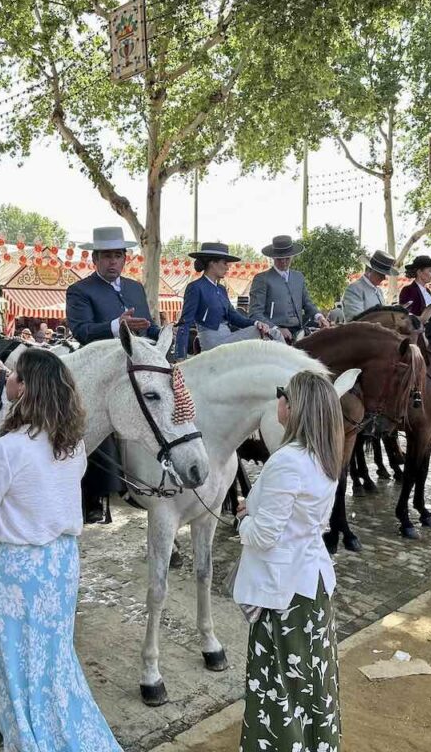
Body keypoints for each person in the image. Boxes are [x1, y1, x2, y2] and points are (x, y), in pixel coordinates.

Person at [0, 349, 123, 752]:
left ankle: (31, 742)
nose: (9, 377)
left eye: (15, 373)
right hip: (62, 564)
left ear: (27, 388)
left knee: (16, 669)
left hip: (19, 570)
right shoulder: (73, 446)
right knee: (55, 662)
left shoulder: (4, 450)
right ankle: (69, 733)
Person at [233, 371, 344, 752]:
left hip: (285, 595)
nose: (278, 399)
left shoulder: (287, 460)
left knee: (278, 689)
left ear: (295, 408)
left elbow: (265, 537)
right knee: (311, 686)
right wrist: (258, 508)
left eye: (283, 394)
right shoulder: (324, 457)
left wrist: (243, 519)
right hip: (311, 585)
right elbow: (311, 517)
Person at [66, 226, 160, 524]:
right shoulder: (80, 290)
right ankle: (96, 492)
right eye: (106, 256)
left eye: (117, 256)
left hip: (138, 361)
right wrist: (115, 325)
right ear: (95, 259)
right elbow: (81, 331)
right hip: (100, 368)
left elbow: (146, 327)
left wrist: (163, 333)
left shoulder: (135, 288)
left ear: (125, 258)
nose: (112, 262)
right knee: (92, 418)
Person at [174, 242, 281, 360]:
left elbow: (234, 317)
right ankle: (293, 372)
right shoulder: (195, 287)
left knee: (271, 332)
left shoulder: (221, 289)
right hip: (212, 342)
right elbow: (184, 323)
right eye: (225, 263)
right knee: (273, 334)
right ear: (212, 263)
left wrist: (256, 323)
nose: (228, 267)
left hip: (228, 337)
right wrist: (180, 357)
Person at [247, 235, 329, 341]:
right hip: (273, 336)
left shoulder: (298, 277)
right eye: (280, 259)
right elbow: (255, 313)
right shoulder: (262, 279)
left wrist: (319, 317)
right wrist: (276, 329)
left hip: (299, 331)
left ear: (292, 256)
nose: (284, 262)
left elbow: (307, 303)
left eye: (287, 258)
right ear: (273, 257)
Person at [342, 250, 398, 320]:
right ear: (369, 270)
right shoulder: (354, 289)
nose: (384, 278)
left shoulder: (379, 291)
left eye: (385, 274)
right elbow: (356, 320)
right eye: (380, 274)